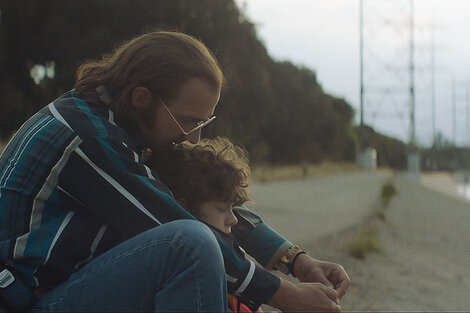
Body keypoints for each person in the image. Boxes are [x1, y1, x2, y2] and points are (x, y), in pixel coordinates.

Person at [0, 31, 350, 312]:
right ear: (142, 98)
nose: (194, 137)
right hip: (29, 301)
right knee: (190, 244)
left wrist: (295, 260)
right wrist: (288, 297)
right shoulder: (86, 138)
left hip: (61, 288)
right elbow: (180, 222)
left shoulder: (111, 125)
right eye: (188, 121)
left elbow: (197, 206)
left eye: (204, 121)